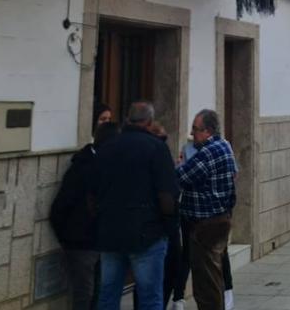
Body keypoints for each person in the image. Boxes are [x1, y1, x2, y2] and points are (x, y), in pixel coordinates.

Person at [93, 102, 179, 310]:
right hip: (147, 234)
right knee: (150, 298)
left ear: (127, 120)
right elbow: (167, 195)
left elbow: (92, 191)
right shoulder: (156, 148)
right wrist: (169, 225)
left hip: (110, 232)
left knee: (107, 296)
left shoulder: (107, 147)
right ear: (149, 122)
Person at [51, 121, 118, 310]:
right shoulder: (83, 168)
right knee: (85, 295)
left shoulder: (103, 165)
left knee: (97, 293)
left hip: (99, 242)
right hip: (82, 244)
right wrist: (70, 238)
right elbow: (59, 208)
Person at [176, 109, 237, 310]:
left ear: (208, 131)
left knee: (206, 283)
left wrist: (179, 164)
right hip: (220, 218)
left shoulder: (208, 153)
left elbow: (181, 177)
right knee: (213, 276)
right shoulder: (224, 145)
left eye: (195, 129)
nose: (192, 134)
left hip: (206, 226)